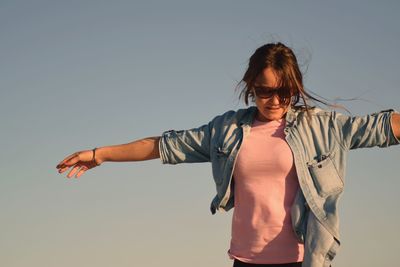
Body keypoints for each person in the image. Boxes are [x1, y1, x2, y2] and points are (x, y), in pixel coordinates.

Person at [56, 42, 400, 267]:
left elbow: (381, 128)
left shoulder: (321, 128)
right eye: (266, 91)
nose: (276, 101)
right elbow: (163, 145)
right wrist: (101, 154)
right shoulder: (226, 131)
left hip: (300, 260)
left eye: (285, 93)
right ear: (252, 87)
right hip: (243, 260)